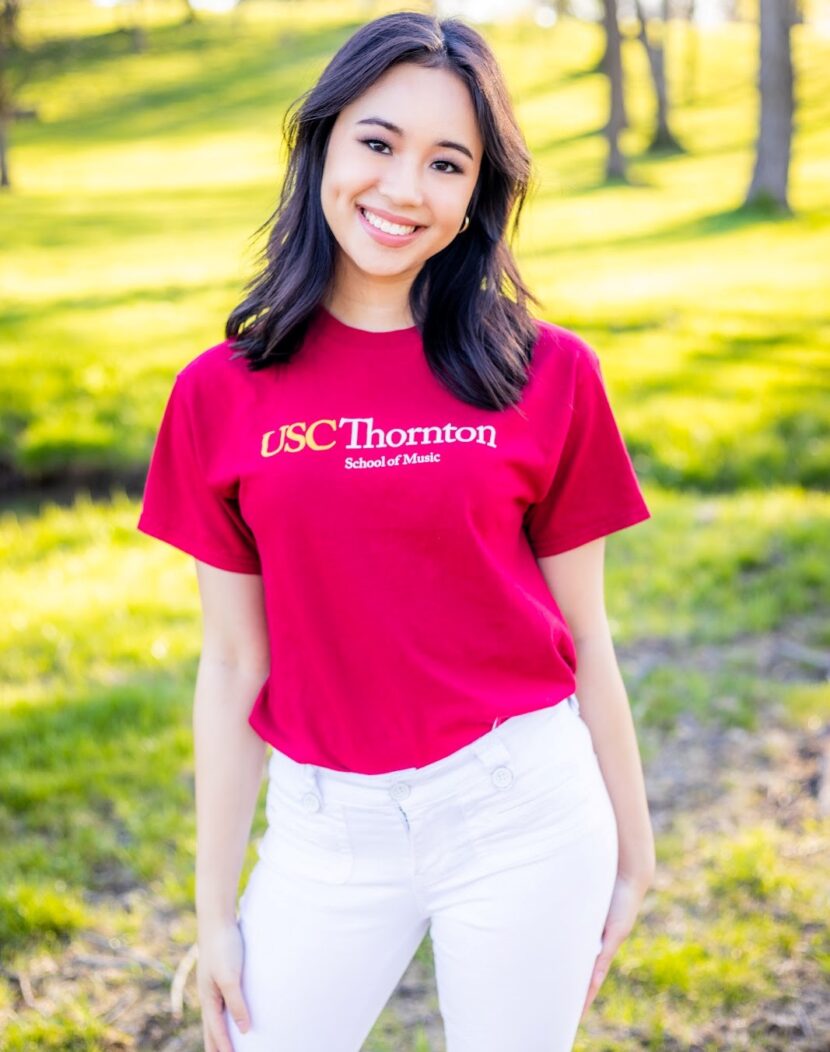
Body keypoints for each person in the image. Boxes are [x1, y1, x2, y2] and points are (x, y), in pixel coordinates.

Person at [136, 10, 656, 1052]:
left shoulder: (546, 373)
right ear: (322, 142)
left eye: (446, 162)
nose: (404, 189)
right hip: (327, 830)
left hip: (521, 809)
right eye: (377, 143)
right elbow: (235, 660)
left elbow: (583, 632)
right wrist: (213, 909)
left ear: (476, 197)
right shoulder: (217, 393)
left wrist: (634, 849)